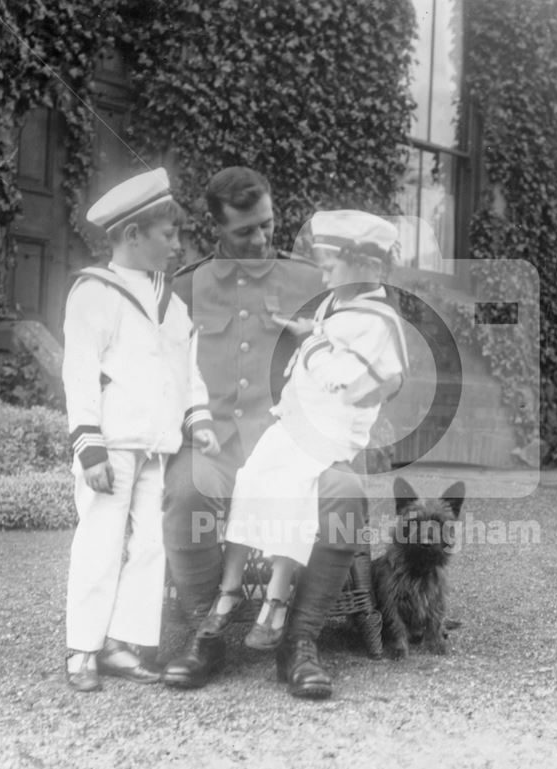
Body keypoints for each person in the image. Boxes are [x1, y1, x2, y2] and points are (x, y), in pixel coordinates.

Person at [161, 167, 373, 699]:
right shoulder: (185, 287)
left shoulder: (309, 281)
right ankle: (204, 635)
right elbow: (165, 374)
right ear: (215, 227)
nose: (260, 239)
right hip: (216, 444)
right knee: (186, 493)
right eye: (244, 231)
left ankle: (298, 642)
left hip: (293, 445)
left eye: (267, 224)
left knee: (345, 496)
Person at [206, 210, 408, 652]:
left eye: (332, 266)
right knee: (253, 475)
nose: (324, 274)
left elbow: (348, 381)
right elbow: (324, 342)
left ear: (364, 265)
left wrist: (311, 344)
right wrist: (309, 333)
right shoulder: (339, 301)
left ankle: (276, 601)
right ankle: (230, 585)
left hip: (331, 429)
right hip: (298, 419)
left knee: (296, 489)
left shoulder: (379, 321)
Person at [62, 167, 220, 693]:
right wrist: (89, 446)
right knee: (100, 540)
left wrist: (197, 420)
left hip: (157, 447)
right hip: (112, 445)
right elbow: (80, 373)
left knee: (154, 543)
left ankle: (122, 643)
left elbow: (187, 369)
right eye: (168, 235)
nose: (178, 245)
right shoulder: (94, 293)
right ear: (133, 235)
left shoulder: (171, 304)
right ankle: (83, 646)